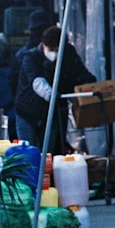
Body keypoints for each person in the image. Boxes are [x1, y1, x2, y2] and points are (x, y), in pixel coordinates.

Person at [14, 25, 96, 155]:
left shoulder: (68, 54)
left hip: (52, 114)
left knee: (48, 152)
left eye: (58, 49)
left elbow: (79, 72)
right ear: (44, 45)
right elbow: (37, 81)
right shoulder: (30, 57)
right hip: (27, 112)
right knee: (29, 152)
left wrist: (90, 84)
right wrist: (51, 95)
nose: (54, 53)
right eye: (51, 49)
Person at [9, 9, 51, 140]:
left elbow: (12, 81)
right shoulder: (27, 55)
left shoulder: (21, 53)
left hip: (29, 109)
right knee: (45, 153)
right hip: (30, 110)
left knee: (30, 152)